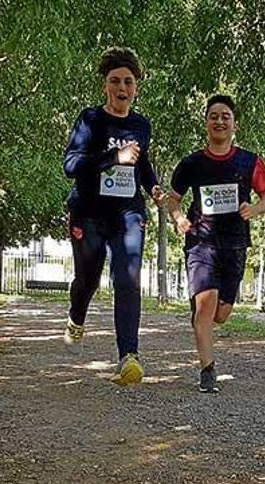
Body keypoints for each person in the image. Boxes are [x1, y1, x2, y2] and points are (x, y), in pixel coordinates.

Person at [62, 47, 164, 385]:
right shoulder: (90, 120)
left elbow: (143, 164)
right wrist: (112, 157)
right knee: (88, 280)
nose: (122, 87)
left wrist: (154, 188)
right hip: (89, 213)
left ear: (136, 87)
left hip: (127, 213)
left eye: (129, 82)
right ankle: (77, 316)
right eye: (115, 81)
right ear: (106, 85)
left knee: (128, 278)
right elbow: (71, 165)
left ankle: (129, 357)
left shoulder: (141, 125)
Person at [167, 94, 265, 393]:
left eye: (225, 116)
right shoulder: (192, 163)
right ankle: (207, 369)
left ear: (234, 124)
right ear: (206, 124)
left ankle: (204, 313)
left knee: (221, 315)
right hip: (200, 241)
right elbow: (173, 199)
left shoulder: (248, 161)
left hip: (235, 244)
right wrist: (178, 219)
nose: (219, 121)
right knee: (205, 305)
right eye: (213, 116)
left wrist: (253, 209)